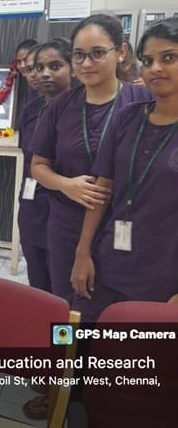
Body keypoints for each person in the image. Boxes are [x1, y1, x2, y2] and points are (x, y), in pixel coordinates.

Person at [30, 13, 152, 305]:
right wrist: (66, 185)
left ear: (120, 52)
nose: (86, 64)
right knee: (65, 307)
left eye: (97, 53)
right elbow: (38, 166)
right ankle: (64, 340)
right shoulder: (60, 106)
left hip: (123, 226)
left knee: (114, 311)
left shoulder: (142, 102)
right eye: (79, 55)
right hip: (66, 225)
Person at [71, 18, 178, 322]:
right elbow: (102, 188)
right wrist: (82, 252)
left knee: (134, 350)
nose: (155, 68)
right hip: (106, 261)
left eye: (168, 57)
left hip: (163, 277)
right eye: (148, 60)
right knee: (71, 340)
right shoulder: (127, 118)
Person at [18, 38, 74, 294]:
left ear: (72, 68)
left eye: (55, 66)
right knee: (38, 285)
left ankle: (60, 326)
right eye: (37, 68)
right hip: (32, 206)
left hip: (65, 210)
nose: (42, 74)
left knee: (63, 291)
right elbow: (27, 157)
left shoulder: (80, 110)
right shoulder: (31, 109)